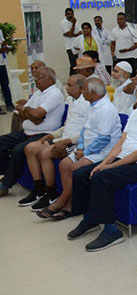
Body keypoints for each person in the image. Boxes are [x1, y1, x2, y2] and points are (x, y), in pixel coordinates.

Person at [66, 80, 137, 251]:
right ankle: (89, 219)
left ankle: (111, 231)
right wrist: (105, 162)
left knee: (101, 177)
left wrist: (110, 167)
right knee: (81, 174)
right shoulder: (136, 113)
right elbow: (121, 141)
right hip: (124, 159)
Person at [37, 77, 123, 220]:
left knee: (75, 168)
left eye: (84, 89)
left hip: (103, 152)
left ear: (93, 93)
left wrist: (85, 152)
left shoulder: (106, 110)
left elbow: (104, 139)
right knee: (64, 164)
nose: (82, 92)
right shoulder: (93, 105)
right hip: (88, 148)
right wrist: (81, 148)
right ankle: (70, 204)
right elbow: (84, 130)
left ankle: (61, 202)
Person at [19, 74, 89, 209]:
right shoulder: (72, 101)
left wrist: (67, 141)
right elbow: (68, 125)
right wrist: (52, 135)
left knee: (45, 153)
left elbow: (87, 132)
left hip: (74, 142)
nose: (66, 88)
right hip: (63, 138)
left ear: (81, 88)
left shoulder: (87, 104)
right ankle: (39, 190)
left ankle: (52, 193)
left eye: (70, 85)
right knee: (30, 148)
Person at [0, 67, 65, 197]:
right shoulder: (38, 93)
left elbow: (36, 114)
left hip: (44, 133)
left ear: (50, 79)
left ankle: (6, 184)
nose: (35, 80)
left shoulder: (54, 94)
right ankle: (7, 174)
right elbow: (22, 113)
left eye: (39, 77)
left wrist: (28, 111)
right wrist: (31, 113)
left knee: (19, 150)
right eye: (35, 77)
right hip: (27, 132)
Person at [60, 7, 82, 75]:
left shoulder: (75, 21)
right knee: (73, 65)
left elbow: (80, 32)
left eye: (71, 14)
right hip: (70, 47)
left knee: (79, 65)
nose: (70, 16)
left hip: (78, 46)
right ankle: (72, 79)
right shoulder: (64, 22)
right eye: (68, 14)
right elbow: (70, 34)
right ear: (65, 15)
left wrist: (72, 35)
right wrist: (73, 24)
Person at [0, 26, 14, 113]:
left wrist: (5, 47)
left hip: (2, 63)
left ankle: (9, 104)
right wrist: (2, 50)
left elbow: (3, 42)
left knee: (5, 85)